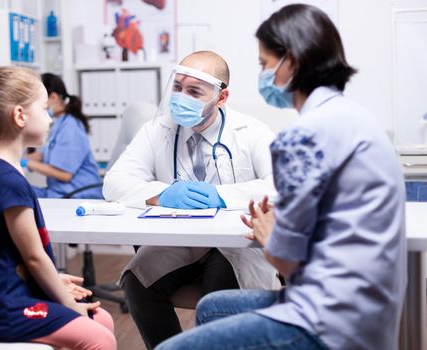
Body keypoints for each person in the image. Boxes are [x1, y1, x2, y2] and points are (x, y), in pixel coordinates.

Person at [156, 5, 406, 350]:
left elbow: (287, 260)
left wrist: (270, 234)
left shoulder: (302, 136)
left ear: (293, 61)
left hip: (325, 321)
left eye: (263, 63)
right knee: (213, 308)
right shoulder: (358, 119)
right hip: (375, 313)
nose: (262, 74)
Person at [103, 50, 281, 348]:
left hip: (234, 245)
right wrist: (161, 195)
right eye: (177, 87)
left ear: (221, 98)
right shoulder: (157, 130)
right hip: (180, 242)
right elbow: (115, 181)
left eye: (194, 91)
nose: (181, 97)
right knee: (136, 281)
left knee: (217, 294)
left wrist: (221, 196)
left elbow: (282, 187)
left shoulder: (251, 132)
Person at [0, 67, 116, 350]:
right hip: (0, 307)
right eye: (44, 109)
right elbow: (34, 257)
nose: (50, 118)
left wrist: (56, 280)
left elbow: (16, 256)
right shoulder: (5, 179)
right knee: (98, 335)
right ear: (20, 116)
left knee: (101, 320)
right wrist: (67, 304)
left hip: (7, 292)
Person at [23, 73, 103, 199]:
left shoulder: (70, 127)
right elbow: (47, 154)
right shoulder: (60, 122)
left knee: (20, 193)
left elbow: (65, 175)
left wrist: (25, 162)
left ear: (53, 97)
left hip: (78, 195)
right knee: (19, 191)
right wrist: (14, 158)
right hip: (62, 192)